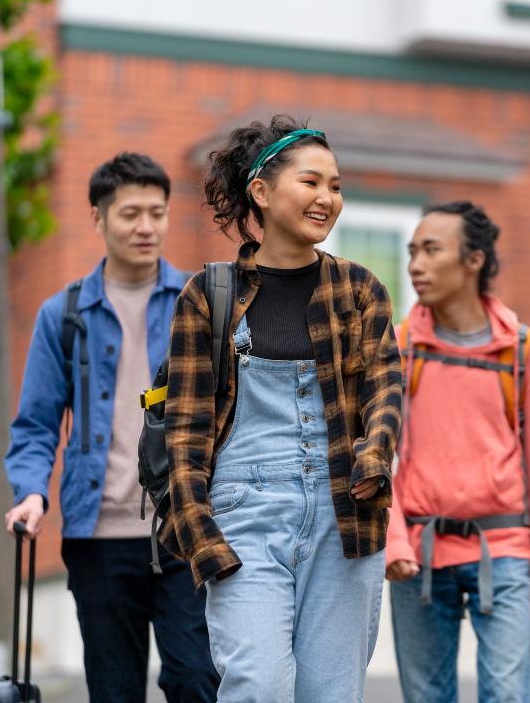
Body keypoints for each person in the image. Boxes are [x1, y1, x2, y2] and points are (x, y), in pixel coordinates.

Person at [159, 115, 403, 702]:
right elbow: (186, 431)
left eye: (336, 186)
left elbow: (385, 390)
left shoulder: (360, 289)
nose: (328, 198)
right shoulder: (209, 295)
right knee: (258, 687)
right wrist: (201, 538)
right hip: (243, 516)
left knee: (331, 694)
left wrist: (374, 458)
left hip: (345, 514)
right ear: (261, 193)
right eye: (311, 182)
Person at [2, 153, 219, 702]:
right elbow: (36, 422)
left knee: (197, 679)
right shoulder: (65, 314)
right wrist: (30, 493)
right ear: (98, 218)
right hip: (98, 536)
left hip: (186, 528)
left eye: (157, 212)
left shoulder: (198, 305)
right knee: (115, 690)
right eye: (130, 214)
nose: (146, 227)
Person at [385, 201, 530, 703]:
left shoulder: (523, 352)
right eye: (412, 251)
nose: (415, 265)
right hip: (418, 554)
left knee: (507, 696)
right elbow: (375, 458)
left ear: (473, 260)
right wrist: (394, 541)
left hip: (504, 551)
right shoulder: (399, 348)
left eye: (431, 250)